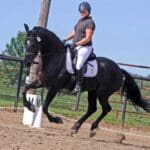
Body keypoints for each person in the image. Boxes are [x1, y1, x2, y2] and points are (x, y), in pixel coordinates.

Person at [63, 2, 96, 93]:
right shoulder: (80, 21)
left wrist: (77, 44)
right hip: (76, 46)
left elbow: (88, 38)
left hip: (85, 47)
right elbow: (74, 33)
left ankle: (78, 85)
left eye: (83, 11)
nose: (81, 13)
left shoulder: (90, 22)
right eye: (80, 11)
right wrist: (65, 39)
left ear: (88, 11)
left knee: (78, 64)